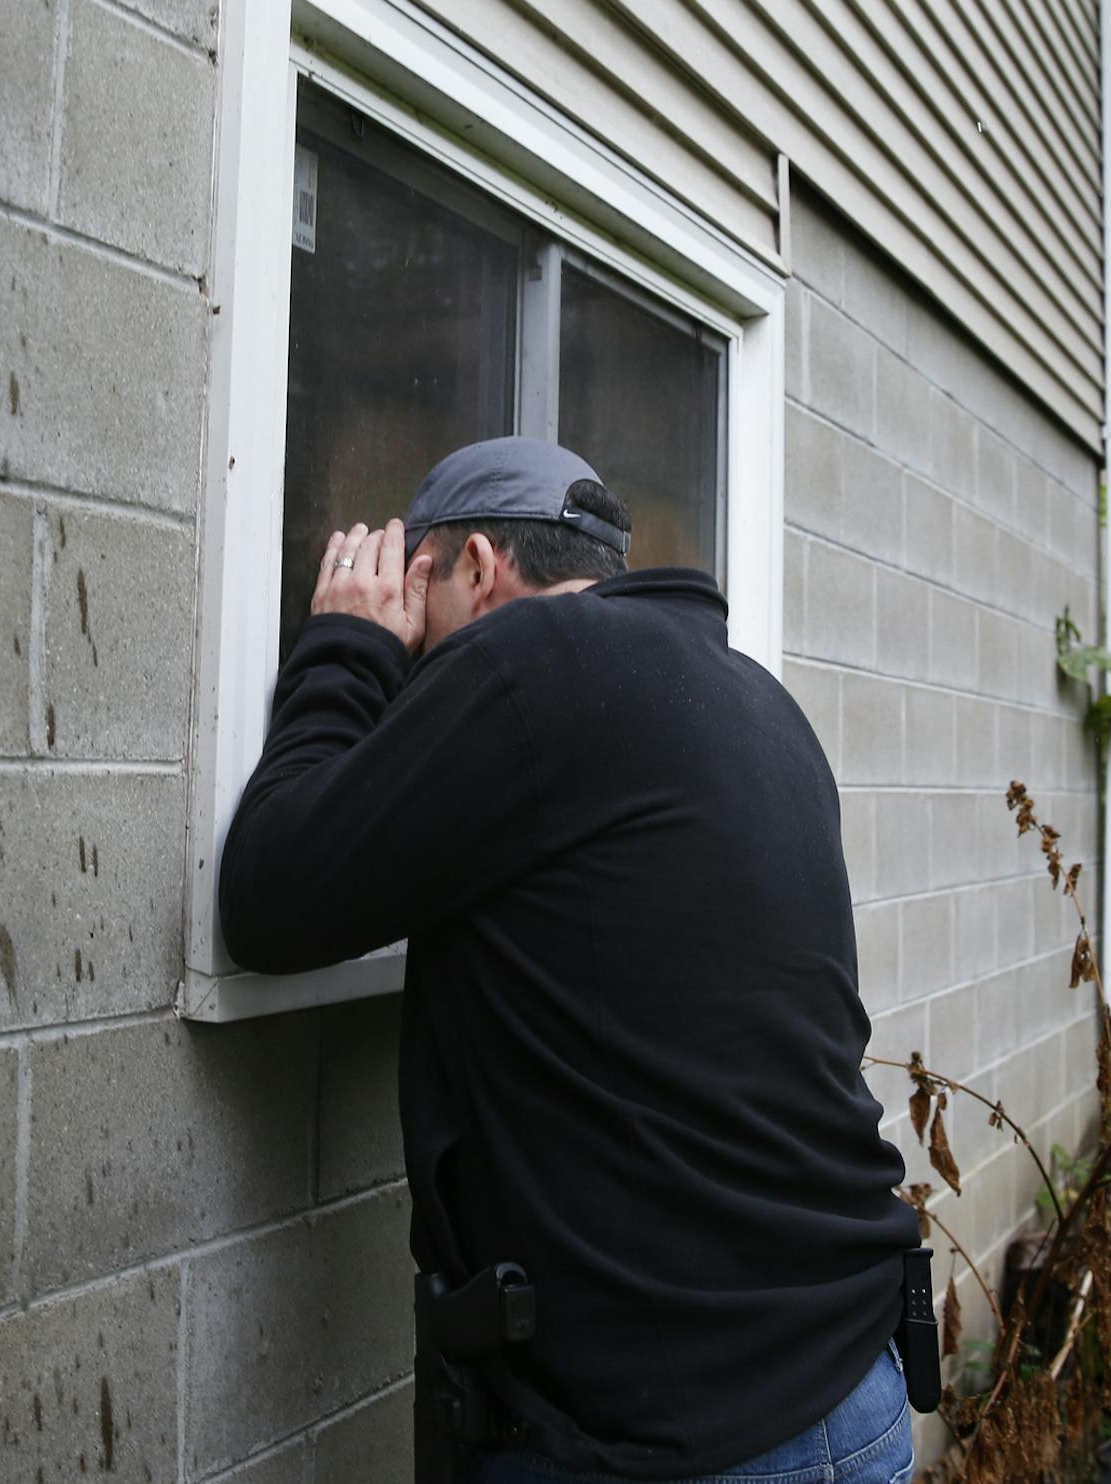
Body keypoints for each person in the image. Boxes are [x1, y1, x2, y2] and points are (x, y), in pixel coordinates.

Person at [217, 437, 921, 1484]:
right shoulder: (756, 701)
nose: (418, 650)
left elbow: (273, 898)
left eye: (419, 604)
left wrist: (345, 647)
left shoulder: (524, 667)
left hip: (685, 1440)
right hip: (851, 1389)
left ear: (479, 569)